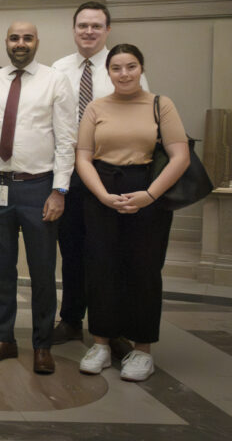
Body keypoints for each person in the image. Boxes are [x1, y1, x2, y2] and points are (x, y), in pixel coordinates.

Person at [0, 21, 76, 375]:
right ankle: (3, 338)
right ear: (5, 43)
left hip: (39, 187)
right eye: (15, 38)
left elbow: (66, 140)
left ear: (37, 42)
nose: (21, 43)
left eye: (27, 38)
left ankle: (42, 344)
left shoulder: (55, 80)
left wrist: (59, 190)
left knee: (43, 270)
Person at [75, 44, 189, 382]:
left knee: (144, 269)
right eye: (117, 68)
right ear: (108, 73)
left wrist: (150, 195)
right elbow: (82, 156)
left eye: (131, 66)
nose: (124, 74)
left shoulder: (160, 104)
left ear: (141, 69)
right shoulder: (96, 107)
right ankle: (101, 344)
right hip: (102, 191)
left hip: (148, 189)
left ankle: (142, 350)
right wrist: (103, 196)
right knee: (100, 268)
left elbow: (179, 155)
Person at [50, 1, 148, 349]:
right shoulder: (58, 69)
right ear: (73, 29)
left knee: (111, 253)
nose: (88, 32)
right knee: (72, 249)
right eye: (82, 26)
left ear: (107, 30)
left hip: (113, 174)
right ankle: (72, 319)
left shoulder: (122, 68)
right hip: (70, 175)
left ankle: (112, 326)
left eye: (96, 26)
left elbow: (143, 116)